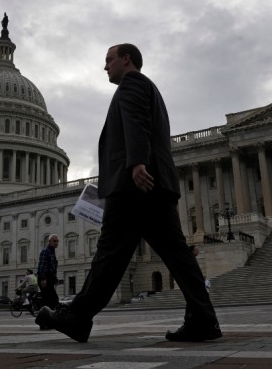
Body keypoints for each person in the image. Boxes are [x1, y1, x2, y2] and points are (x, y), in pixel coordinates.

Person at [36, 43, 222, 343]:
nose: (105, 66)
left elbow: (136, 123)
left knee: (109, 254)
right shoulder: (150, 88)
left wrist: (136, 163)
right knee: (176, 255)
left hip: (133, 184)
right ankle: (203, 318)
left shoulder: (132, 84)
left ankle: (78, 316)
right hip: (156, 185)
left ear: (126, 59)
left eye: (109, 60)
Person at [37, 234, 60, 314]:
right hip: (45, 278)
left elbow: (53, 267)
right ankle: (44, 321)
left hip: (50, 278)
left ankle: (49, 318)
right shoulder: (45, 251)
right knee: (48, 300)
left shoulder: (52, 252)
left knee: (54, 299)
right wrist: (43, 279)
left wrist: (55, 279)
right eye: (54, 241)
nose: (56, 243)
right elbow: (42, 266)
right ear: (49, 241)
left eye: (57, 241)